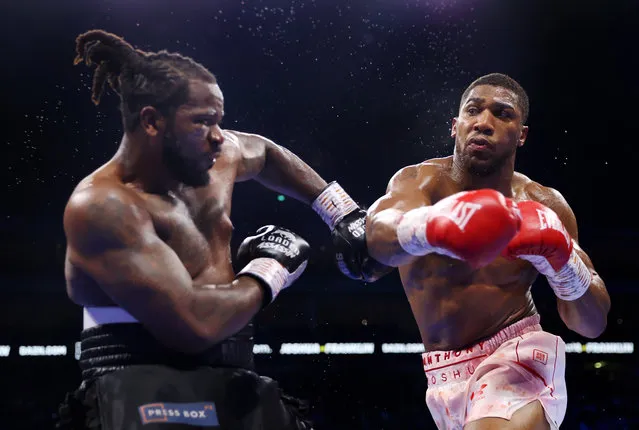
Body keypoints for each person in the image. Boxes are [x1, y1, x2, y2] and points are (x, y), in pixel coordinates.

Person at [57, 29, 387, 430]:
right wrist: (269, 269)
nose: (219, 137)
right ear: (151, 121)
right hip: (139, 385)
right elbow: (195, 326)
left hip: (236, 378)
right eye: (202, 122)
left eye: (219, 121)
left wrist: (343, 213)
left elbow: (264, 153)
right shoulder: (103, 207)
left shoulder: (216, 157)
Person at [364, 73, 611, 430]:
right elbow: (377, 239)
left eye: (502, 113)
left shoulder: (542, 203)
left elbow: (591, 324)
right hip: (442, 374)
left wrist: (563, 260)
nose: (483, 123)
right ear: (455, 126)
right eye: (473, 111)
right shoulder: (420, 184)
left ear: (521, 134)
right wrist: (435, 226)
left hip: (517, 354)